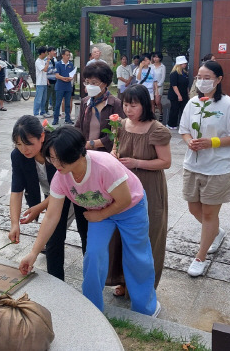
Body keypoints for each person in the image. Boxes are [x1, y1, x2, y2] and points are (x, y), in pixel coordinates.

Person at [19, 127, 160, 317]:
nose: (56, 164)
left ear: (78, 153)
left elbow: (124, 200)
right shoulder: (61, 177)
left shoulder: (104, 166)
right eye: (52, 157)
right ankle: (92, 307)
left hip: (130, 208)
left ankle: (146, 308)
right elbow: (52, 216)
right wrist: (33, 253)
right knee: (93, 255)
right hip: (98, 211)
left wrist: (101, 215)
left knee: (137, 256)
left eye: (60, 158)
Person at [179, 60, 230, 277]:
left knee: (209, 212)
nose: (202, 81)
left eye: (207, 77)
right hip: (193, 164)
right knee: (193, 208)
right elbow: (184, 130)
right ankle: (216, 232)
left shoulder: (229, 105)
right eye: (199, 77)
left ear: (218, 80)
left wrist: (212, 142)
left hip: (218, 167)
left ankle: (201, 256)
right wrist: (189, 141)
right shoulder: (193, 103)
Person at [107, 84, 171, 296]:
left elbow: (165, 162)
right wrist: (114, 156)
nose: (128, 109)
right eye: (125, 104)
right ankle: (123, 280)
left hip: (148, 187)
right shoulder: (120, 125)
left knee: (147, 236)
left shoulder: (157, 130)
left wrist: (136, 162)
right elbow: (115, 148)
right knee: (122, 234)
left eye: (133, 105)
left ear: (145, 105)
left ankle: (142, 286)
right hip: (124, 187)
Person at [8, 116, 88, 280]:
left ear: (42, 137)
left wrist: (40, 207)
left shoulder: (56, 150)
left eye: (28, 143)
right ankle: (56, 283)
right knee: (53, 239)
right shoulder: (18, 156)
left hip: (77, 189)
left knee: (86, 233)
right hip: (52, 195)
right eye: (19, 144)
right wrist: (14, 223)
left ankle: (93, 277)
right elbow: (16, 190)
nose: (24, 149)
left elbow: (63, 189)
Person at [76, 61, 125, 152]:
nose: (90, 86)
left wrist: (92, 143)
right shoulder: (85, 102)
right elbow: (78, 127)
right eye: (87, 82)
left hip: (105, 154)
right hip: (85, 153)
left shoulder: (115, 104)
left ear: (105, 83)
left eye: (94, 83)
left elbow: (118, 133)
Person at [53, 49, 75, 125]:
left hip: (68, 87)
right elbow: (56, 75)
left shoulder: (71, 64)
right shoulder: (58, 64)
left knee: (68, 103)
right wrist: (64, 78)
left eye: (69, 55)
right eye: (67, 55)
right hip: (60, 87)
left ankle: (67, 119)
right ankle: (55, 119)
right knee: (58, 103)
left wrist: (70, 78)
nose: (68, 56)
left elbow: (72, 74)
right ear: (63, 55)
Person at [167, 55, 189, 129]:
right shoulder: (174, 73)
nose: (185, 65)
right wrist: (179, 95)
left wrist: (187, 93)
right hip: (175, 94)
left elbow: (186, 85)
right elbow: (174, 85)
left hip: (184, 94)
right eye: (184, 63)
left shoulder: (185, 73)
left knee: (183, 109)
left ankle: (183, 124)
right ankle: (171, 124)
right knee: (174, 109)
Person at [34, 46, 51, 117]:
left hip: (44, 82)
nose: (46, 54)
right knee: (38, 99)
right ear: (42, 53)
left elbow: (46, 72)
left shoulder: (43, 61)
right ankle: (36, 113)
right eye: (46, 53)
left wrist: (47, 80)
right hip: (39, 83)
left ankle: (43, 112)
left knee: (44, 99)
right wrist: (48, 61)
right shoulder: (38, 61)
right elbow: (44, 69)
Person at [151, 52, 166, 118]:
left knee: (157, 101)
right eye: (154, 57)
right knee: (152, 101)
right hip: (151, 86)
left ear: (160, 58)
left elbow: (163, 78)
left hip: (159, 86)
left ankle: (161, 112)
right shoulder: (151, 66)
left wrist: (157, 86)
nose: (155, 58)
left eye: (157, 57)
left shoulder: (162, 67)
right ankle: (153, 115)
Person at [45, 46, 57, 115]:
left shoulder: (55, 59)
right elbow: (48, 70)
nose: (54, 52)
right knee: (47, 97)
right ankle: (46, 111)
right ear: (49, 52)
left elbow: (57, 68)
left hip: (55, 80)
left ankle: (55, 110)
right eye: (53, 51)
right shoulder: (46, 60)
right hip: (49, 80)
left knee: (54, 97)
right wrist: (55, 70)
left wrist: (55, 70)